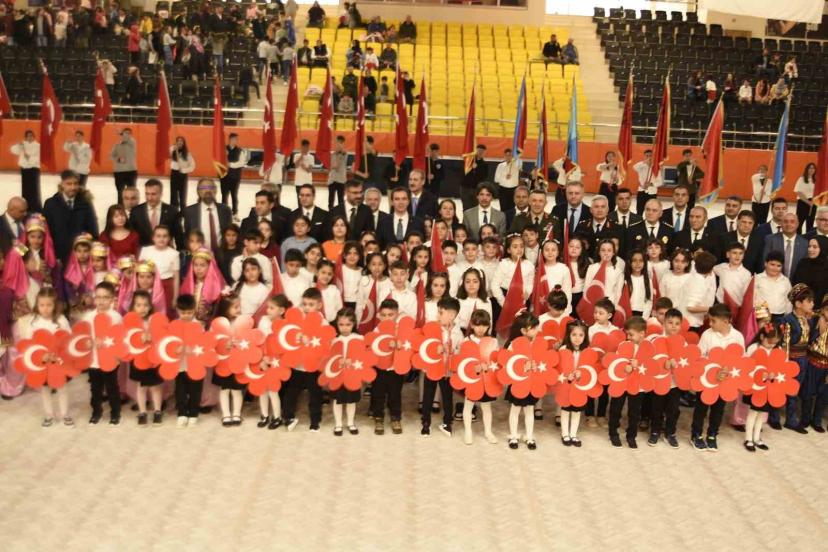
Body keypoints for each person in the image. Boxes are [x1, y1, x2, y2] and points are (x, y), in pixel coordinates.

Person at [690, 303, 746, 451]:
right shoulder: (707, 335)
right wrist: (712, 369)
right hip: (706, 380)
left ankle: (712, 434)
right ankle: (696, 434)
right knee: (701, 407)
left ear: (726, 321)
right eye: (710, 320)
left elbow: (741, 359)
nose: (710, 324)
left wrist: (728, 371)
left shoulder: (737, 337)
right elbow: (700, 356)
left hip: (725, 382)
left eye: (713, 321)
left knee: (718, 409)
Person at [15, 288, 73, 425]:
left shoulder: (61, 320)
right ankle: (49, 415)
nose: (45, 309)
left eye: (49, 305)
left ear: (55, 305)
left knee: (62, 387)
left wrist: (60, 352)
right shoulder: (34, 322)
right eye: (42, 305)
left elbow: (69, 338)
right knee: (45, 389)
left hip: (59, 361)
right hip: (42, 362)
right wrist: (41, 356)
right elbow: (29, 343)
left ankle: (65, 414)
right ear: (37, 305)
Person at [282, 288, 327, 432]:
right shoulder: (298, 319)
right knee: (291, 392)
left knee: (315, 394)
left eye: (311, 304)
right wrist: (297, 337)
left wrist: (310, 341)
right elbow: (290, 336)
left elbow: (325, 343)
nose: (307, 308)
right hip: (298, 365)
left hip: (314, 367)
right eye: (304, 304)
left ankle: (315, 420)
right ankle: (288, 417)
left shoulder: (323, 323)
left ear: (319, 305)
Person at [83, 282, 124, 425]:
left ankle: (115, 412)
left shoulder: (116, 317)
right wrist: (88, 343)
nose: (101, 301)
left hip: (110, 359)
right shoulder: (88, 317)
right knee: (95, 388)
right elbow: (83, 337)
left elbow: (119, 338)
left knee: (112, 387)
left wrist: (108, 344)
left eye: (105, 297)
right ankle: (96, 411)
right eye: (98, 297)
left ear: (112, 299)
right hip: (93, 360)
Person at [648, 308, 687, 448]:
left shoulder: (683, 343)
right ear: (664, 323)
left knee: (673, 409)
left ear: (681, 325)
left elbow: (686, 363)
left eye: (677, 323)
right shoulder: (656, 340)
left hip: (674, 383)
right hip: (659, 382)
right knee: (656, 408)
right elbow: (651, 361)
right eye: (670, 322)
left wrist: (677, 365)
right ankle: (655, 431)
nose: (673, 326)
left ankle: (670, 433)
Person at [43, 171, 99, 263]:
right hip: (58, 256)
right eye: (69, 184)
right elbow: (47, 231)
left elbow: (93, 229)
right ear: (62, 184)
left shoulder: (86, 203)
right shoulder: (51, 204)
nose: (73, 187)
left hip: (80, 257)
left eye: (75, 184)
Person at [126, 290, 163, 426]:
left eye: (145, 305)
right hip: (138, 359)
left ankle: (157, 411)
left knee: (155, 387)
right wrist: (139, 339)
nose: (142, 308)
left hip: (153, 359)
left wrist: (152, 337)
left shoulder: (154, 320)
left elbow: (162, 336)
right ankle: (142, 412)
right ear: (133, 306)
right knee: (141, 387)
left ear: (150, 306)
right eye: (138, 305)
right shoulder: (130, 322)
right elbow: (126, 339)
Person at [172, 294, 205, 427]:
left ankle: (193, 413)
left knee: (195, 390)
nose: (186, 315)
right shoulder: (174, 325)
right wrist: (176, 349)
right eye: (183, 313)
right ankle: (182, 413)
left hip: (195, 365)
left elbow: (204, 344)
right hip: (180, 365)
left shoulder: (199, 325)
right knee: (180, 390)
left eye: (189, 312)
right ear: (177, 310)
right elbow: (169, 343)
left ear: (194, 310)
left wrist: (194, 349)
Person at [182, 179, 233, 252]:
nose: (208, 190)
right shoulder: (189, 212)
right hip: (198, 255)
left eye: (211, 187)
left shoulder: (225, 210)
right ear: (198, 191)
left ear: (215, 191)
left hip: (223, 254)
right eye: (203, 188)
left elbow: (230, 233)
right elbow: (186, 236)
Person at [762, 213, 808, 278]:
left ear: (797, 224)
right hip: (773, 280)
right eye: (785, 221)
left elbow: (805, 267)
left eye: (792, 222)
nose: (788, 224)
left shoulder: (805, 243)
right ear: (781, 224)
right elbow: (764, 262)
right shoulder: (770, 239)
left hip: (797, 282)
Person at [11, 130, 41, 212]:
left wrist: (30, 159)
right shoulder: (22, 145)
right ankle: (25, 205)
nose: (29, 137)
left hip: (34, 168)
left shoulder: (38, 146)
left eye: (31, 136)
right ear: (26, 137)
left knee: (34, 188)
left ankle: (35, 207)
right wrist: (18, 145)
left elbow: (37, 157)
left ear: (33, 137)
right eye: (28, 136)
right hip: (24, 169)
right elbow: (13, 150)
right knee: (25, 188)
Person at [793, 236, 828, 305]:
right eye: (809, 246)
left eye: (815, 247)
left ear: (823, 248)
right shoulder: (803, 263)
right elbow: (795, 285)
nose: (810, 249)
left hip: (820, 308)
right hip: (800, 306)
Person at [221, 134, 249, 218]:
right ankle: (224, 212)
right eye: (233, 139)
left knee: (234, 195)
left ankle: (235, 213)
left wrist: (230, 165)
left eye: (236, 139)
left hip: (235, 176)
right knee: (224, 195)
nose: (235, 141)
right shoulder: (222, 149)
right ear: (229, 139)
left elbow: (241, 163)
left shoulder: (240, 151)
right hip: (224, 176)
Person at [110, 128, 137, 205]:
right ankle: (120, 207)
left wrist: (122, 133)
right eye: (125, 133)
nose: (126, 135)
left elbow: (127, 138)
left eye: (128, 133)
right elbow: (111, 156)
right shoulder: (117, 145)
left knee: (131, 191)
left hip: (131, 171)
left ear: (131, 135)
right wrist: (118, 159)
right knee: (120, 192)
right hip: (119, 172)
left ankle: (133, 208)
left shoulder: (132, 143)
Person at [170, 137, 196, 212]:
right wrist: (174, 147)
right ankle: (173, 212)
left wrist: (184, 170)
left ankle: (183, 213)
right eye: (178, 141)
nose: (179, 142)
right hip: (174, 174)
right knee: (173, 196)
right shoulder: (172, 151)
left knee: (182, 196)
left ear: (184, 143)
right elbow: (169, 150)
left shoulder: (187, 154)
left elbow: (192, 166)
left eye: (181, 141)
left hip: (182, 175)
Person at [632, 150, 662, 215]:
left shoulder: (656, 167)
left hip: (652, 192)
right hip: (641, 191)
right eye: (647, 156)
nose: (649, 157)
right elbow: (634, 167)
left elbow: (660, 182)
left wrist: (651, 184)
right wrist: (645, 162)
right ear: (644, 156)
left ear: (653, 156)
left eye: (650, 155)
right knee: (639, 210)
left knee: (651, 211)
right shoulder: (641, 166)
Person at [494, 149, 522, 215]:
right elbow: (496, 179)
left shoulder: (516, 165)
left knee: (512, 208)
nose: (508, 157)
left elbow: (520, 162)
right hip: (503, 189)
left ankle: (511, 220)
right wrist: (504, 177)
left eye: (510, 155)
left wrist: (517, 156)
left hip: (513, 189)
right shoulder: (500, 165)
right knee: (503, 208)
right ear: (504, 156)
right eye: (507, 155)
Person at [460, 145, 488, 209]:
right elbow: (462, 173)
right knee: (466, 207)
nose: (480, 152)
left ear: (485, 153)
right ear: (476, 151)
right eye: (479, 150)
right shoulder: (468, 161)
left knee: (475, 207)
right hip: (465, 188)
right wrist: (471, 167)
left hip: (476, 189)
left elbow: (484, 177)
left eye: (482, 151)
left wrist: (477, 168)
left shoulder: (485, 164)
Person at [794, 163, 817, 232]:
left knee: (810, 222)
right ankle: (799, 237)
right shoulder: (801, 179)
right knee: (799, 222)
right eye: (810, 168)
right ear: (807, 169)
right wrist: (808, 202)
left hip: (813, 202)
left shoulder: (816, 180)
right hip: (802, 202)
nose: (811, 170)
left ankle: (808, 237)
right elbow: (798, 192)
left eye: (813, 168)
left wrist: (814, 201)